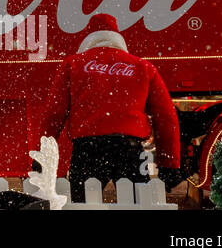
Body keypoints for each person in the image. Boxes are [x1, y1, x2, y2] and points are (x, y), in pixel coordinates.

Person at [41, 13, 179, 203]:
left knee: (83, 204)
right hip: (130, 149)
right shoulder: (143, 67)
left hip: (88, 149)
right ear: (118, 40)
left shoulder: (72, 65)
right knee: (139, 203)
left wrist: (42, 155)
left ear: (88, 40)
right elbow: (165, 117)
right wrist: (169, 162)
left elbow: (53, 115)